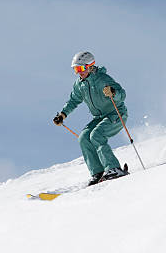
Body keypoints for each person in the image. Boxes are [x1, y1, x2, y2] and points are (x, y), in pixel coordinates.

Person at [53, 51, 128, 185]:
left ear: (90, 66)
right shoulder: (79, 84)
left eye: (81, 68)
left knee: (96, 135)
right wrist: (62, 114)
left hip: (116, 114)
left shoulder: (102, 79)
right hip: (99, 117)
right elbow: (73, 100)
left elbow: (122, 94)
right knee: (83, 138)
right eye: (76, 69)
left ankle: (114, 169)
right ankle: (98, 172)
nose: (79, 72)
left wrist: (113, 92)